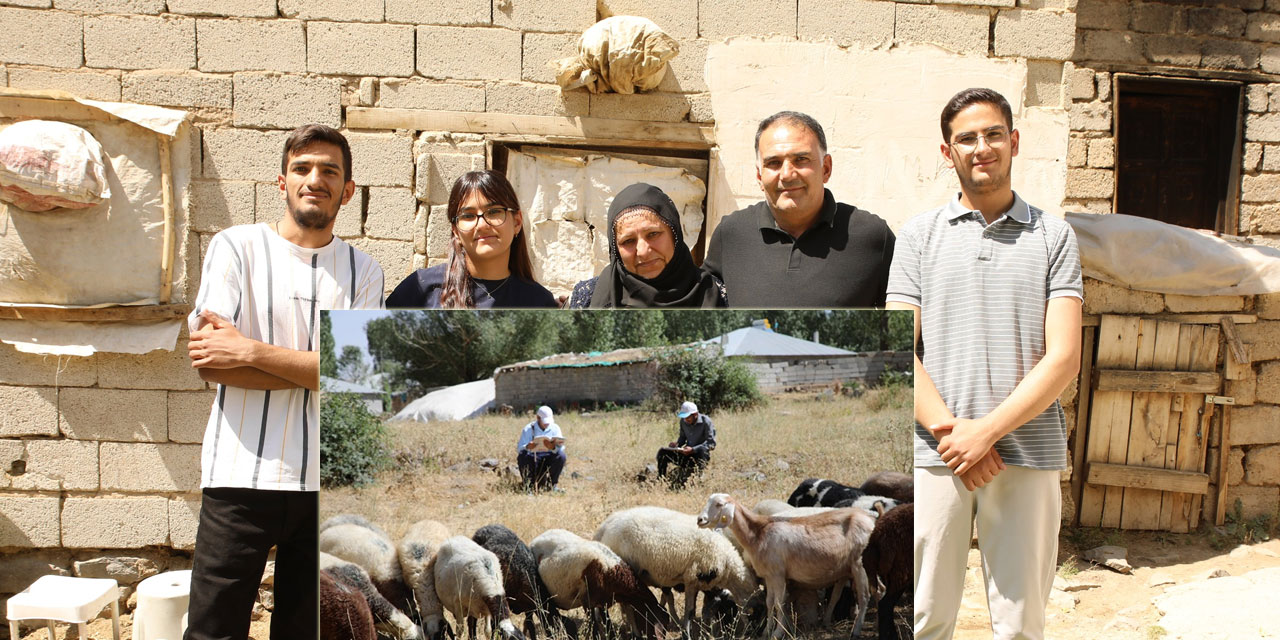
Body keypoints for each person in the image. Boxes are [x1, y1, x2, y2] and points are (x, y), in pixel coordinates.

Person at [888, 88, 1082, 640]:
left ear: (1013, 141)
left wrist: (986, 433)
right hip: (936, 454)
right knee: (925, 617)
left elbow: (1064, 357)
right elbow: (897, 348)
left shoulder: (1054, 236)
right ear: (947, 152)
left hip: (1029, 452)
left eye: (993, 134)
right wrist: (955, 437)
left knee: (1021, 623)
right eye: (966, 138)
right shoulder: (918, 236)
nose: (982, 147)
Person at [184, 124, 385, 640]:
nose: (315, 179)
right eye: (302, 168)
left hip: (323, 486)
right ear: (282, 182)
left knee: (304, 631)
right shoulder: (236, 248)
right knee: (213, 630)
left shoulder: (364, 271)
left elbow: (352, 380)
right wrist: (315, 368)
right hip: (239, 476)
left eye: (330, 171)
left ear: (348, 191)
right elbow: (211, 363)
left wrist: (249, 350)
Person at [701, 110, 895, 308]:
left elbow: (902, 320)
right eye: (774, 163)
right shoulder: (732, 234)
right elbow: (703, 308)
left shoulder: (873, 237)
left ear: (826, 168)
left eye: (801, 159)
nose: (787, 174)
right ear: (759, 176)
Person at [386, 170, 557, 308]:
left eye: (494, 212)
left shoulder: (539, 302)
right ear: (455, 230)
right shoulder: (420, 289)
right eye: (468, 216)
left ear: (517, 222)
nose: (481, 225)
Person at [566, 182, 726, 308]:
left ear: (674, 234)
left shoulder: (718, 294)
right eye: (628, 241)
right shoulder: (587, 299)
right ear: (616, 250)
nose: (643, 251)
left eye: (653, 234)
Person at [656, 401, 716, 486]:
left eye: (688, 417)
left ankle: (699, 476)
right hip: (686, 454)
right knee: (662, 452)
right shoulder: (683, 421)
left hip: (699, 456)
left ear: (695, 414)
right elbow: (682, 438)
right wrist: (677, 445)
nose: (685, 420)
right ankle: (661, 479)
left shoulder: (706, 421)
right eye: (684, 417)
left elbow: (711, 444)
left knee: (702, 450)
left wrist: (693, 449)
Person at [516, 405, 567, 491]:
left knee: (561, 456)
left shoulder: (555, 428)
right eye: (544, 421)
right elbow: (520, 449)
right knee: (522, 456)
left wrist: (553, 447)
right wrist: (528, 446)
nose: (546, 424)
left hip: (549, 455)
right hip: (534, 456)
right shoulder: (528, 429)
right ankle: (528, 486)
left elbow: (561, 449)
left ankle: (551, 485)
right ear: (538, 418)